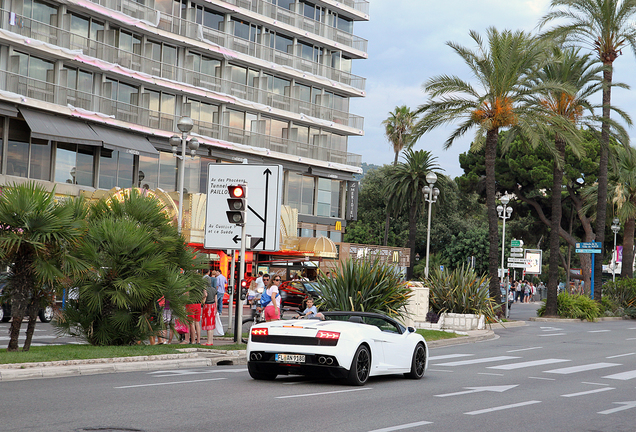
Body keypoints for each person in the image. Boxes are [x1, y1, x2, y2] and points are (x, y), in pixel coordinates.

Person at [201, 269, 217, 346]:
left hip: (207, 307)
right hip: (213, 306)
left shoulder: (204, 289)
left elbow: (205, 296)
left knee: (208, 325)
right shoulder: (214, 289)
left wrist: (202, 302)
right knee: (211, 325)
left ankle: (208, 341)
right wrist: (216, 309)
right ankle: (211, 341)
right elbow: (216, 300)